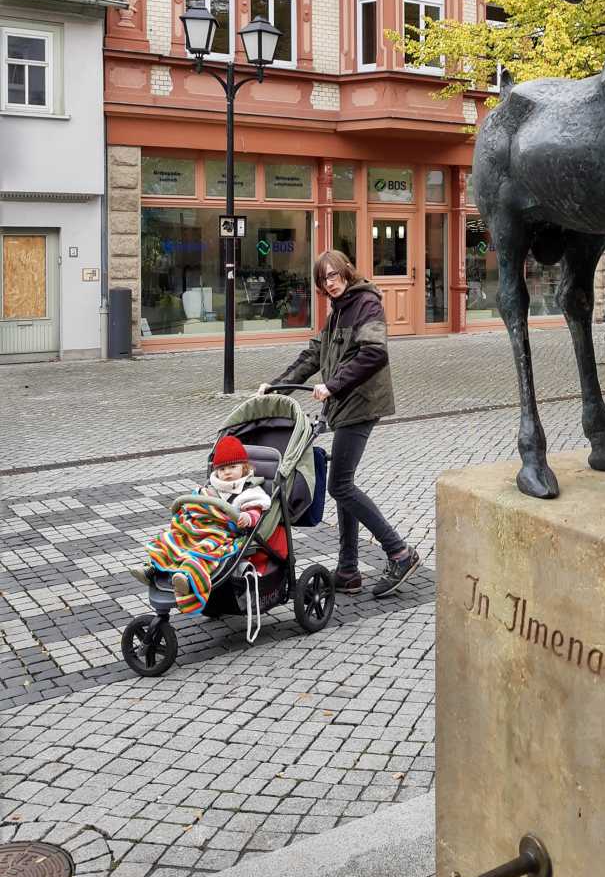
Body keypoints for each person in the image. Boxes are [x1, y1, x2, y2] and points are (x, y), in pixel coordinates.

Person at [260, 249, 419, 598]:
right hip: (344, 404)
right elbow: (313, 355)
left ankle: (399, 552)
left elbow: (375, 353)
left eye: (333, 276)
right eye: (323, 280)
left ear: (346, 271)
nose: (329, 283)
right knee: (342, 483)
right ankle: (348, 570)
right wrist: (277, 385)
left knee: (340, 486)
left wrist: (333, 385)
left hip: (360, 403)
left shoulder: (366, 304)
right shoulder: (338, 312)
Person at [130, 435, 271, 612]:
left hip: (224, 533)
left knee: (205, 548)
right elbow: (198, 504)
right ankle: (152, 568)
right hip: (199, 527)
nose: (227, 472)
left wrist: (248, 518)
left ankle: (187, 576)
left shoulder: (249, 491)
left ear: (244, 468)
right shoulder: (211, 488)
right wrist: (188, 508)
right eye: (222, 469)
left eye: (233, 467)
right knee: (172, 538)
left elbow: (256, 511)